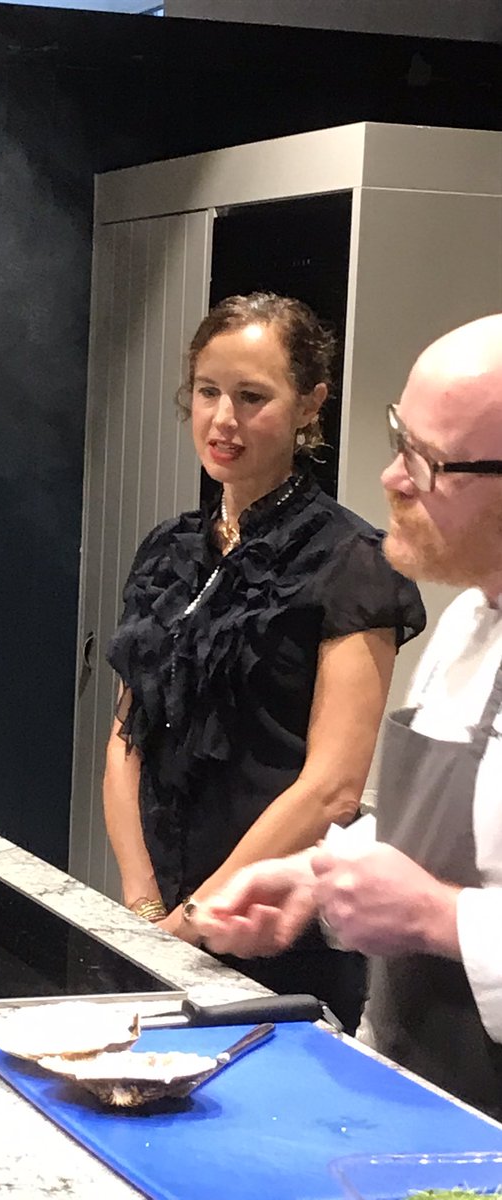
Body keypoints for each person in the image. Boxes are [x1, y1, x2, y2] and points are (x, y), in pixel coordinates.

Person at [188, 312, 502, 1117]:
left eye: (426, 462)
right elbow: (423, 831)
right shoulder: (470, 623)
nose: (392, 479)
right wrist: (317, 875)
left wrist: (440, 919)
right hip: (414, 1095)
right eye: (402, 439)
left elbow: (443, 896)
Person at [104, 292, 426, 1031]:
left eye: (253, 397)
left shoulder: (353, 563)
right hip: (155, 921)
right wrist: (145, 904)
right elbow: (127, 740)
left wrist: (198, 916)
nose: (224, 420)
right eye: (208, 392)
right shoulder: (168, 549)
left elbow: (333, 787)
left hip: (274, 929)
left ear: (310, 404)